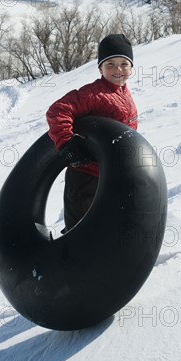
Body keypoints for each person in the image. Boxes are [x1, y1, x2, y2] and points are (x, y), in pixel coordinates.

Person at [46, 34, 138, 232]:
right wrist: (67, 142)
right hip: (86, 176)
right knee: (81, 226)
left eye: (124, 64)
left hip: (110, 175)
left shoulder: (123, 92)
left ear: (131, 68)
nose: (118, 70)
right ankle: (69, 259)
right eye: (110, 64)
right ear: (100, 68)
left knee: (107, 223)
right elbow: (58, 110)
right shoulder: (94, 93)